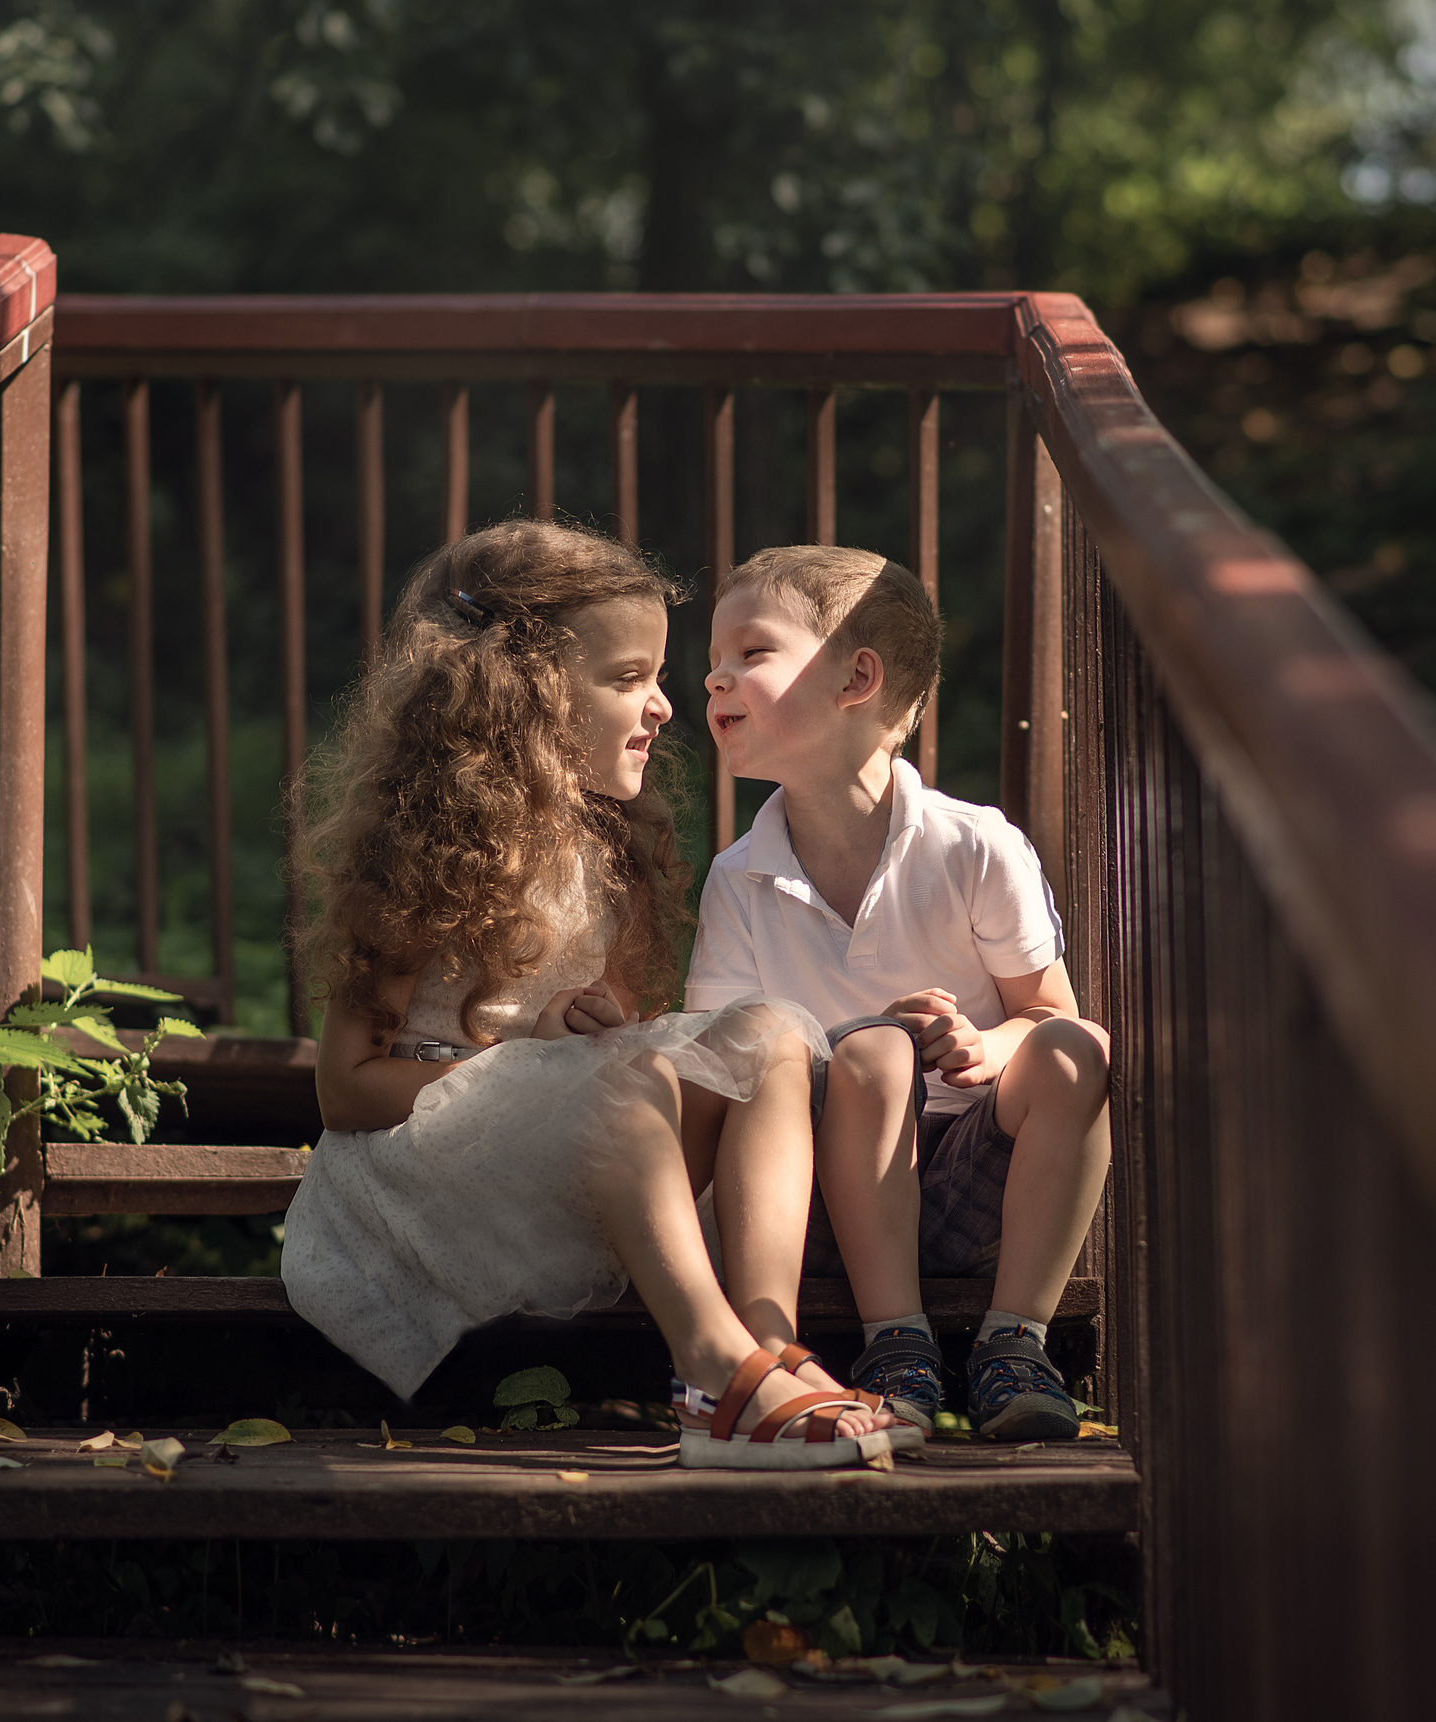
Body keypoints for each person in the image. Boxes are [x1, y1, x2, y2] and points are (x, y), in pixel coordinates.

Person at [279, 521, 905, 1469]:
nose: (663, 705)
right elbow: (345, 1091)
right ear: (519, 692)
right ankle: (710, 1374)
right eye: (627, 678)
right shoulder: (436, 849)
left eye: (658, 676)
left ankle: (766, 1345)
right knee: (625, 1082)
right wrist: (534, 1070)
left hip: (554, 1170)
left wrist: (588, 1039)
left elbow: (601, 1066)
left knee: (774, 1038)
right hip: (412, 1198)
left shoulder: (607, 846)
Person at [687, 546, 1112, 1441]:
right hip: (814, 1207)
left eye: (750, 653)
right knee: (873, 1051)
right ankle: (897, 1347)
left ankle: (1014, 1344)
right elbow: (719, 1057)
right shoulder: (738, 877)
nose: (714, 677)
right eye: (713, 661)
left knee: (1084, 1050)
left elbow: (1048, 1017)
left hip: (969, 1183)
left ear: (858, 678)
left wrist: (977, 1046)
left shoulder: (974, 847)